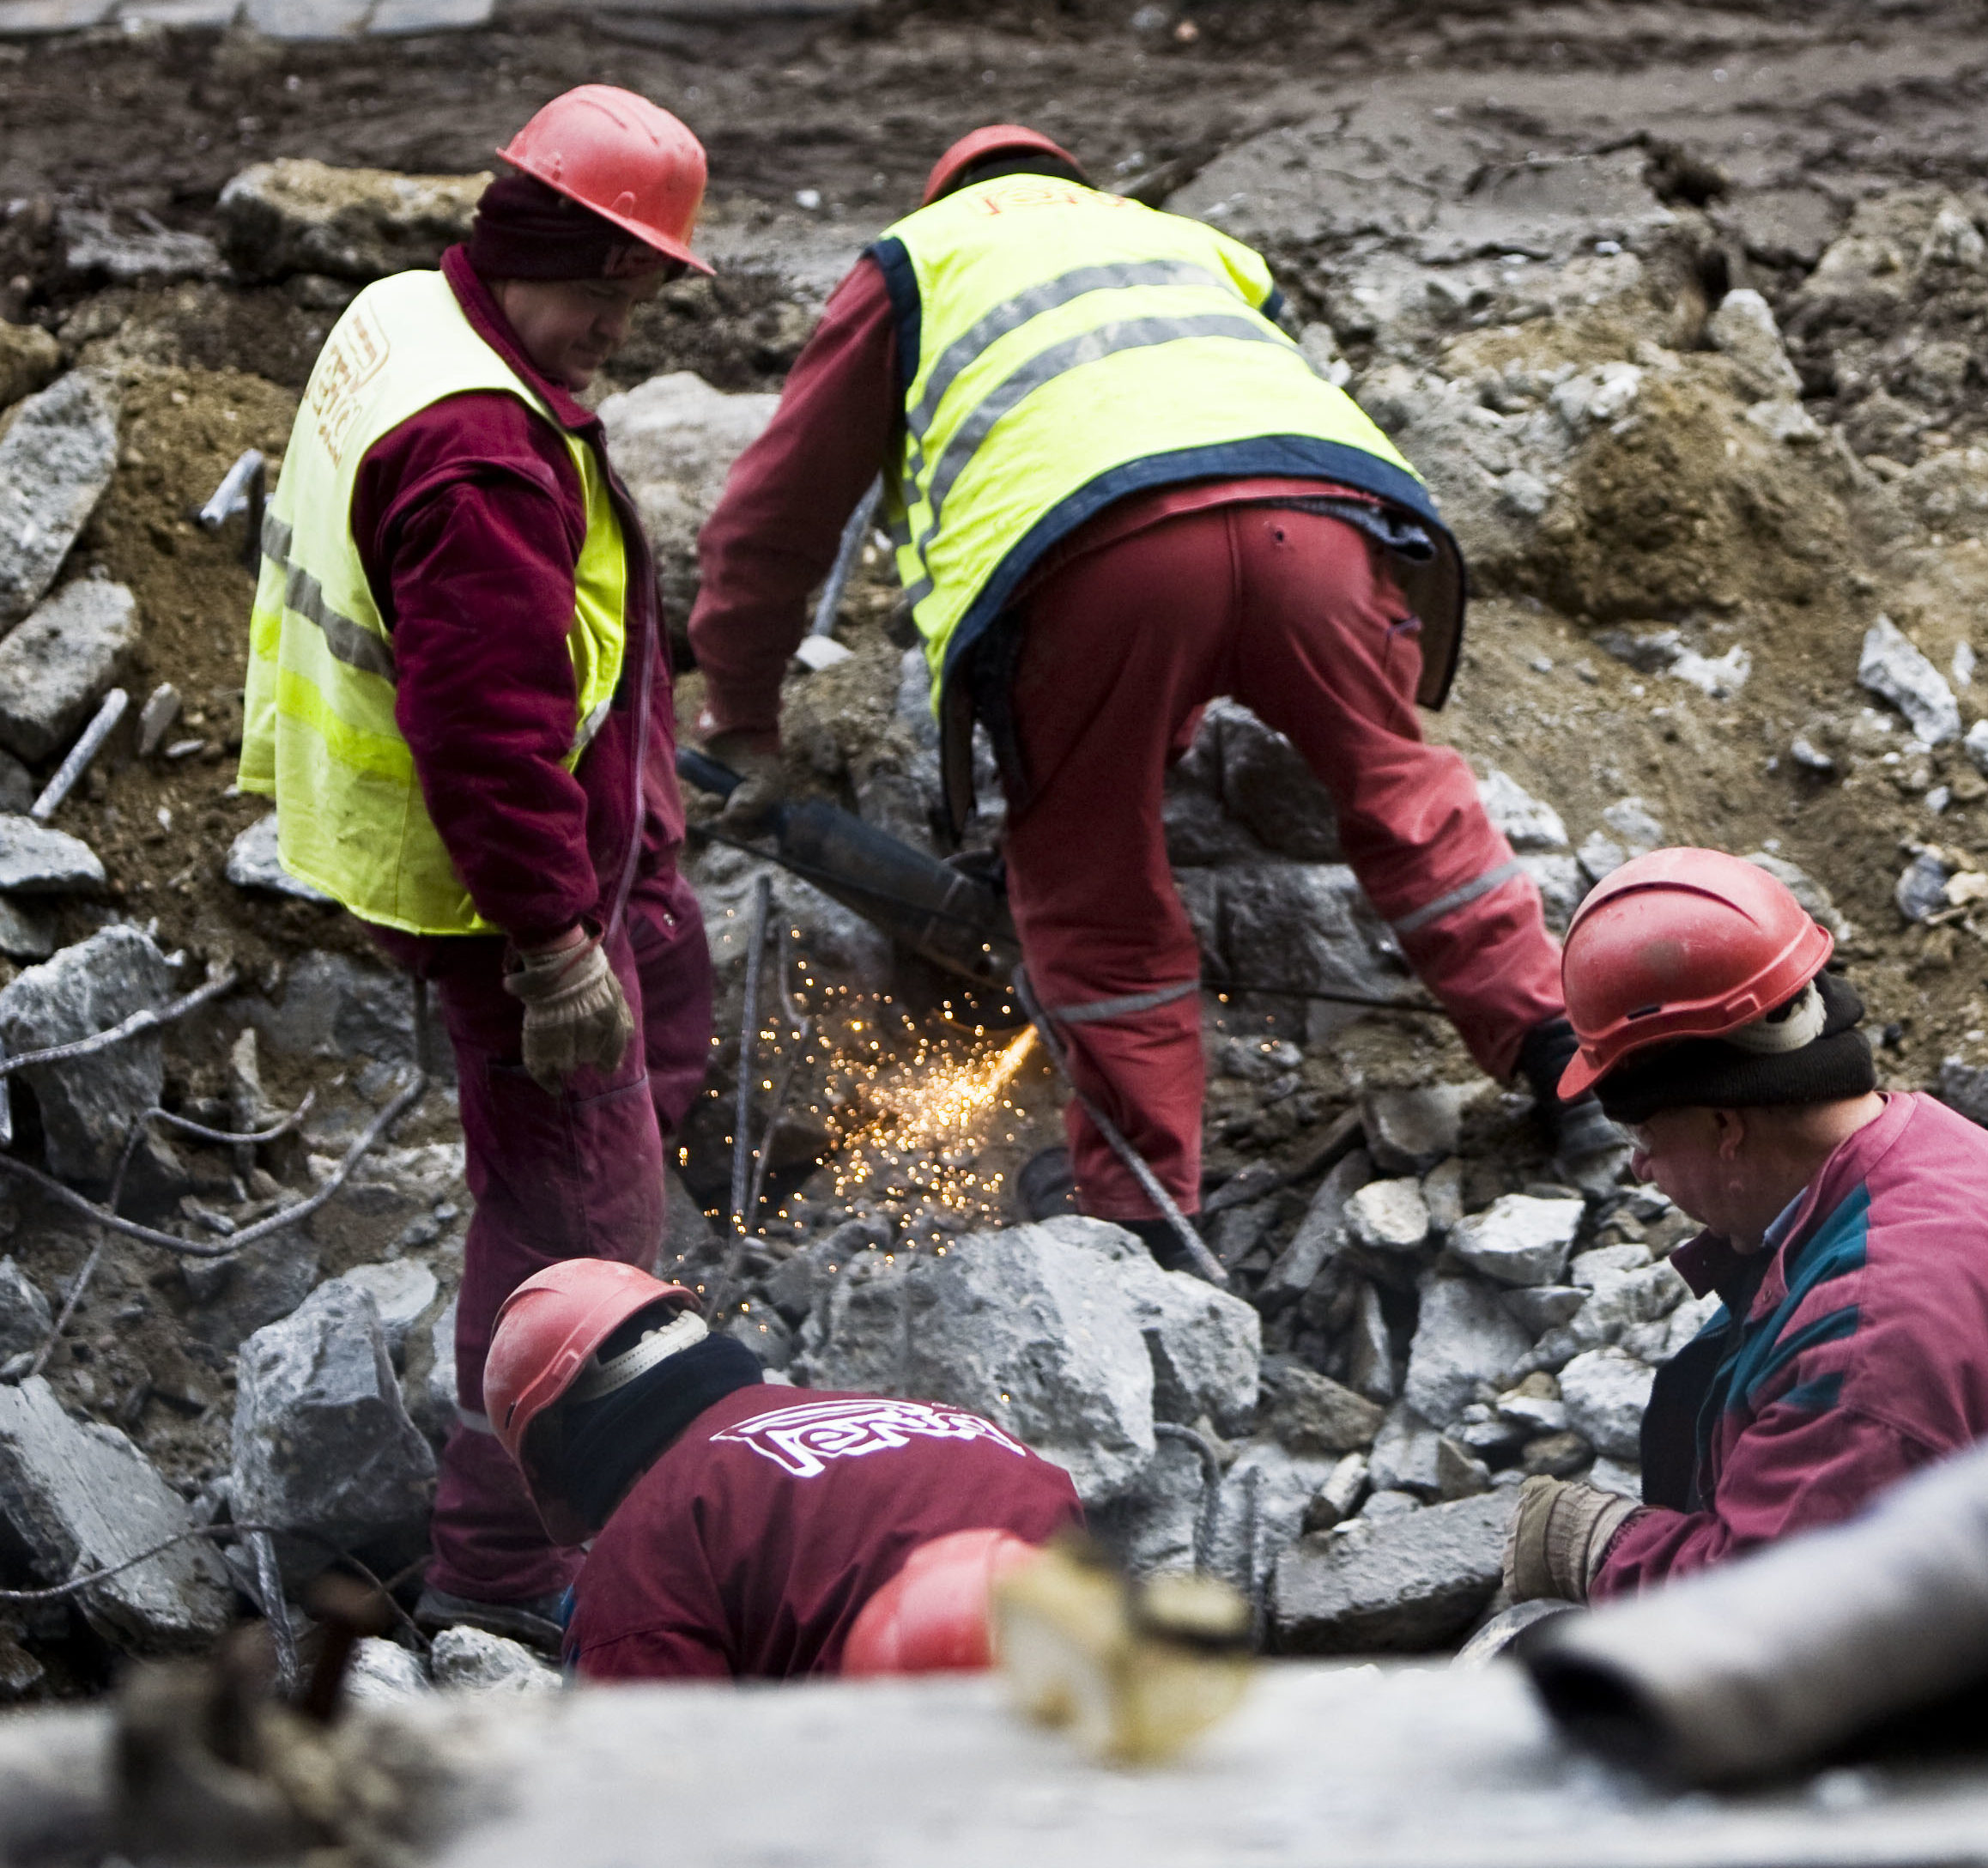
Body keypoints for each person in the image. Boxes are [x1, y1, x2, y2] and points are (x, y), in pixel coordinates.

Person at [683, 124, 1597, 1262]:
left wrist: (742, 715)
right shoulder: (1177, 239)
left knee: (1095, 883)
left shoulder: (911, 261)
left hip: (1094, 555)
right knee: (1399, 789)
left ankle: (1140, 1212)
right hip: (1318, 521)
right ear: (1074, 180)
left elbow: (771, 519)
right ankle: (1573, 1064)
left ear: (950, 192)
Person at [238, 84, 719, 1647]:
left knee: (641, 1101)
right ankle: (502, 1576)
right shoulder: (479, 451)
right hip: (502, 893)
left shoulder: (415, 315)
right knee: (571, 1223)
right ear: (549, 247)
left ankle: (632, 1325)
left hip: (570, 852)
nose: (614, 334)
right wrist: (553, 941)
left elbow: (525, 667)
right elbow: (486, 731)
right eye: (609, 296)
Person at [1501, 851, 1988, 1604]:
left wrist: (1596, 1547)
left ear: (1724, 1125)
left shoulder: (1866, 1346)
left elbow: (1762, 1615)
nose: (1641, 1170)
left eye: (1643, 1140)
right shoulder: (1940, 1149)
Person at [481, 1259, 1082, 1681]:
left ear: (559, 1456)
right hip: (1106, 1681)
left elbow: (645, 1799)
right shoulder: (929, 1416)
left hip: (929, 1755)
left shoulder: (648, 1539)